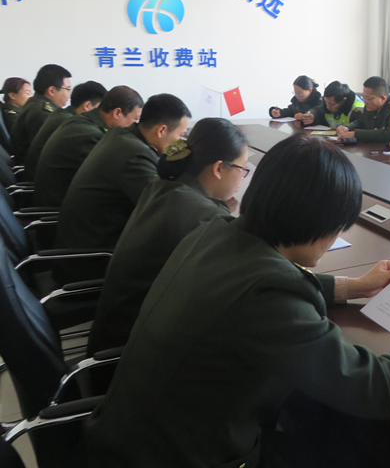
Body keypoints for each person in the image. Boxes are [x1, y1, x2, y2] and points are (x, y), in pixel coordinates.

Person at [86, 133, 390, 468]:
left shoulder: (216, 231)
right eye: (336, 227)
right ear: (313, 221)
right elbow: (375, 390)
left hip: (131, 437)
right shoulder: (269, 294)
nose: (333, 239)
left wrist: (353, 286)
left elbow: (257, 284)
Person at [87, 118, 248, 358]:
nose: (242, 178)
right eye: (242, 169)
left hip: (111, 335)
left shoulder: (163, 189)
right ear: (218, 168)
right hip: (132, 355)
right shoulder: (205, 217)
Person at [54, 94, 191, 258]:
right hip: (93, 255)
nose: (181, 142)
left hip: (82, 239)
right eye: (181, 135)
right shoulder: (135, 155)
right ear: (161, 130)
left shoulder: (120, 135)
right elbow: (162, 209)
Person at [34, 86, 144, 207]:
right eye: (136, 119)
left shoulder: (82, 121)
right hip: (58, 206)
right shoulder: (92, 136)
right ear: (117, 113)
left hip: (57, 198)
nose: (136, 125)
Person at [25, 80, 107, 178]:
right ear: (87, 106)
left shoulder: (62, 114)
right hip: (39, 180)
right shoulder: (74, 125)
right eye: (100, 109)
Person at [11, 64, 72, 163]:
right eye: (68, 89)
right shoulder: (43, 113)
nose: (70, 94)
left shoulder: (35, 103)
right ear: (51, 91)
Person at [336, 76, 390, 143]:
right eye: (364, 97)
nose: (365, 101)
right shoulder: (371, 104)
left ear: (383, 98)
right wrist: (347, 127)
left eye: (368, 98)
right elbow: (362, 121)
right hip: (375, 146)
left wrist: (355, 134)